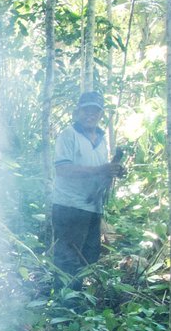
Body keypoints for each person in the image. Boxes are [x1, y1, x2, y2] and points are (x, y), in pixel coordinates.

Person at [50, 91, 126, 289]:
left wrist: (113, 170)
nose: (90, 114)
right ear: (78, 112)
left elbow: (99, 172)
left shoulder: (101, 139)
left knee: (87, 257)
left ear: (101, 114)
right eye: (86, 110)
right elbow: (62, 169)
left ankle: (76, 301)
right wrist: (101, 169)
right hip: (69, 206)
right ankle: (63, 305)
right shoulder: (69, 135)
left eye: (95, 111)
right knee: (67, 258)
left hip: (92, 207)